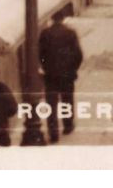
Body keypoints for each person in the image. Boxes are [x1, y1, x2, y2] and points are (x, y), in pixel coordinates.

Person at [38, 9, 83, 141]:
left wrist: (45, 67)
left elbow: (40, 54)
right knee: (67, 101)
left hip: (50, 74)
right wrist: (73, 68)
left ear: (52, 18)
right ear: (63, 19)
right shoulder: (70, 33)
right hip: (67, 74)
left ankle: (53, 133)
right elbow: (78, 55)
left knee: (51, 104)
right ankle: (68, 126)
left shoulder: (45, 33)